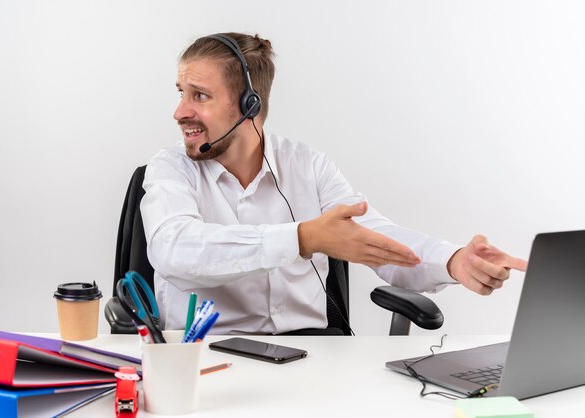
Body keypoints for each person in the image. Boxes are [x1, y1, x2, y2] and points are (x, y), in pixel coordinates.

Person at [140, 32, 527, 335]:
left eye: (199, 96)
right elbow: (175, 249)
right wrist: (303, 238)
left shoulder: (308, 166)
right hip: (204, 357)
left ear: (249, 105)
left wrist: (453, 260)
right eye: (181, 93)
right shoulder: (172, 168)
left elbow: (378, 237)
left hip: (312, 354)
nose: (180, 112)